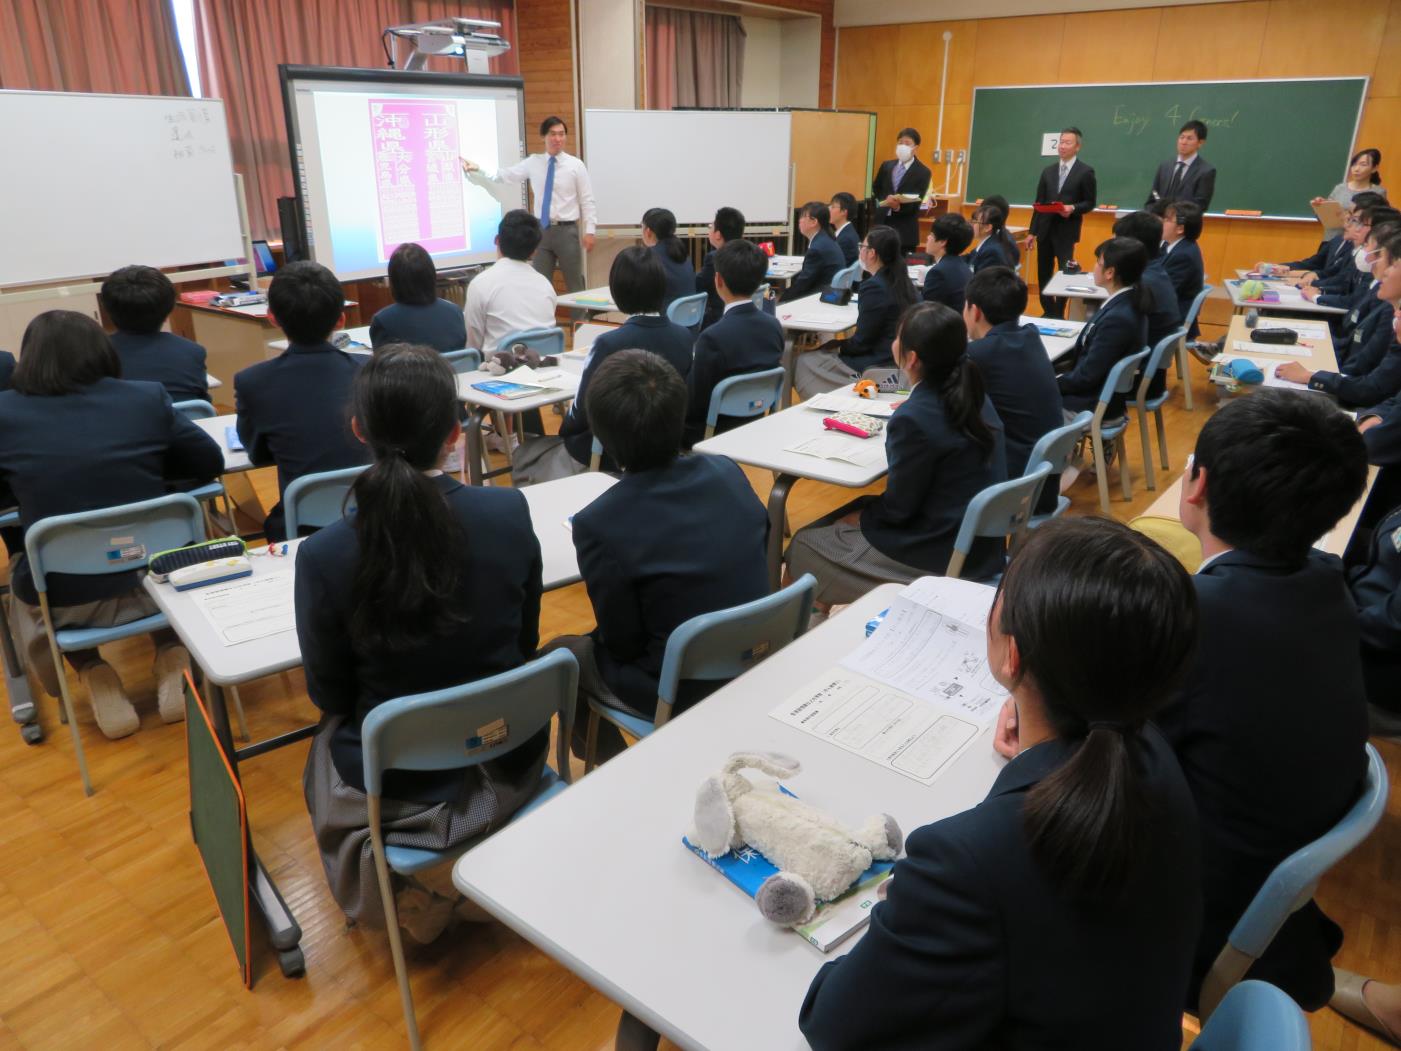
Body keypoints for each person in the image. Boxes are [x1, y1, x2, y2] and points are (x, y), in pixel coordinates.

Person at [799, 517, 1203, 1050]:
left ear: (1013, 654)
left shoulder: (962, 864)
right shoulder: (1156, 756)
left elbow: (832, 1025)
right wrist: (1042, 745)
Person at [296, 344, 547, 943]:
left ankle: (427, 883)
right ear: (456, 431)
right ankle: (472, 874)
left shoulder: (325, 553)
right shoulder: (508, 509)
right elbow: (527, 636)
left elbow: (327, 692)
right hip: (509, 749)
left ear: (360, 430)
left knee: (325, 740)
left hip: (402, 775)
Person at [1156, 390, 1369, 1013]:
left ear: (1197, 486)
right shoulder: (1326, 583)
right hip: (1264, 896)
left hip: (1186, 908)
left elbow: (1101, 747)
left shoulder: (1199, 619)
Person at [0, 311, 222, 739]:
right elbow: (207, 462)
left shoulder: (5, 413)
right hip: (162, 581)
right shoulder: (145, 397)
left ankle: (92, 669)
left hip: (65, 595)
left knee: (24, 576)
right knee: (141, 551)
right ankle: (173, 652)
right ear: (102, 352)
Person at [543, 349, 767, 763]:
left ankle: (607, 762)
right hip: (760, 652)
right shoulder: (727, 471)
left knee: (560, 652)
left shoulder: (599, 522)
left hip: (678, 685)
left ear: (602, 436)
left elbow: (622, 645)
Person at [787, 302, 1007, 607]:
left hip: (936, 555)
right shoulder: (974, 395)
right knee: (850, 512)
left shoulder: (916, 418)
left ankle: (800, 637)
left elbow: (899, 510)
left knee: (802, 545)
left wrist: (861, 520)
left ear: (912, 358)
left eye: (898, 338)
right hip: (979, 550)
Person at [512, 246, 694, 484]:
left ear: (618, 291)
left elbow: (581, 414)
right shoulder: (683, 337)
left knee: (524, 456)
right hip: (660, 451)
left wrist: (566, 431)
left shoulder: (609, 344)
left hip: (606, 454)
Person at [235, 261, 369, 542]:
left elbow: (258, 454)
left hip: (301, 528)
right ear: (341, 319)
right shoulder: (372, 372)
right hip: (374, 513)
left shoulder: (253, 382)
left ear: (272, 318)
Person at [963, 267, 1064, 515]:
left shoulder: (978, 354)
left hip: (1015, 488)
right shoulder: (1030, 335)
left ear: (974, 311)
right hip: (1044, 478)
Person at [461, 115, 596, 296]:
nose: (558, 139)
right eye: (553, 134)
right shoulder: (534, 162)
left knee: (575, 286)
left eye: (562, 134)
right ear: (543, 136)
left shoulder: (576, 165)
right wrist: (479, 169)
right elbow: (506, 175)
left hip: (567, 231)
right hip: (541, 231)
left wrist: (590, 231)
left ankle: (579, 323)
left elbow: (587, 200)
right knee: (538, 284)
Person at [1276, 225, 1401, 407]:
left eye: (1393, 264)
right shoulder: (1383, 301)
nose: (1386, 270)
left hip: (1357, 401)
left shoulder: (1390, 314)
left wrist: (1313, 375)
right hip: (1350, 386)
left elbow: (1373, 387)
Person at [794, 226, 918, 399]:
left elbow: (862, 342)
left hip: (877, 363)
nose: (861, 251)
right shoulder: (904, 283)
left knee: (803, 361)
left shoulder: (874, 286)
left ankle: (828, 402)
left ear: (872, 253)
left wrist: (837, 346)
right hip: (897, 360)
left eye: (863, 247)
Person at [684, 239, 784, 446]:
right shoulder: (774, 326)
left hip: (713, 431)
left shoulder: (713, 337)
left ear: (718, 280)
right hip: (754, 421)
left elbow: (694, 406)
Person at [1056, 237, 1151, 420]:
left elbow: (1086, 377)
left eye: (1098, 263)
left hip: (1091, 405)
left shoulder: (1118, 318)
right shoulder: (1129, 301)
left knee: (1019, 399)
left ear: (1110, 273)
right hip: (1101, 397)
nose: (1094, 267)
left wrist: (1051, 382)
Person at [99, 264, 208, 404]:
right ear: (170, 307)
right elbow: (202, 403)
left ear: (106, 308)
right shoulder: (192, 351)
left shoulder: (96, 354)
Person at [462, 209, 559, 359]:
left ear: (497, 240)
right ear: (534, 252)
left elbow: (473, 346)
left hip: (497, 374)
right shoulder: (545, 284)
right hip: (543, 370)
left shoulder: (480, 284)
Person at [1026, 128, 1098, 318]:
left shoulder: (1085, 172)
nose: (1062, 146)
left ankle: (1058, 311)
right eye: (1061, 142)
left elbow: (1090, 202)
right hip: (1045, 229)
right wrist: (1032, 232)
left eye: (1067, 143)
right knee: (1043, 272)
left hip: (1066, 230)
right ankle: (1048, 310)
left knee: (1065, 273)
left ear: (1077, 147)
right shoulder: (1048, 171)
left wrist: (1072, 208)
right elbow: (1038, 202)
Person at [1113, 210, 1184, 399]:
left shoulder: (1141, 285)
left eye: (1117, 243)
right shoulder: (1156, 271)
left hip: (1133, 382)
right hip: (1153, 378)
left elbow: (1113, 341)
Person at [368, 243, 468, 353]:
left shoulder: (383, 320)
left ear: (394, 281)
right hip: (451, 370)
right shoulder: (455, 312)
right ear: (431, 275)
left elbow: (381, 366)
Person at [871, 127, 931, 252]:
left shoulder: (923, 172)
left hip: (904, 230)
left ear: (916, 148)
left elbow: (917, 201)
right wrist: (885, 201)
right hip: (882, 224)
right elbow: (876, 187)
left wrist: (897, 207)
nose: (903, 146)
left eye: (907, 143)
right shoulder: (887, 166)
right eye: (900, 143)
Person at [780, 201, 845, 303]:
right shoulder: (826, 239)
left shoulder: (817, 249)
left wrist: (780, 301)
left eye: (802, 217)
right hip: (830, 292)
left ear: (814, 222)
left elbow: (803, 284)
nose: (799, 221)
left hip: (820, 297)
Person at [1147, 119, 1217, 213]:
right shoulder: (1165, 166)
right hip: (1159, 223)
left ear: (1200, 143)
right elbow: (1152, 199)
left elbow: (1200, 206)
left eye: (1189, 138)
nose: (1183, 142)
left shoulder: (1206, 171)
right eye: (1181, 137)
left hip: (1184, 224)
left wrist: (1174, 219)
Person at [1313, 148, 1386, 235]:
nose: (1356, 169)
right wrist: (1321, 206)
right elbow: (1325, 218)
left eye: (1363, 165)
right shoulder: (1340, 188)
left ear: (1374, 168)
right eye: (1354, 165)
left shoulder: (1378, 192)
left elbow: (1378, 222)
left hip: (1357, 241)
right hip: (1331, 239)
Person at [695, 205, 746, 329]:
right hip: (741, 315)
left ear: (718, 235)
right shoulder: (746, 252)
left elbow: (698, 285)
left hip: (717, 319)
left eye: (711, 226)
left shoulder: (715, 258)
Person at [1161, 200, 1206, 338]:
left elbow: (1164, 294)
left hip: (1173, 319)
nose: (1162, 223)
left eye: (1167, 220)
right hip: (1171, 311)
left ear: (1180, 229)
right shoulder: (1172, 246)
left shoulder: (1183, 255)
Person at [641, 207, 695, 312]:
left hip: (663, 323)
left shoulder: (649, 257)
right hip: (689, 322)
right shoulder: (683, 253)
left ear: (648, 231)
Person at [921, 213, 973, 312]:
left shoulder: (938, 273)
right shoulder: (962, 265)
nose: (928, 238)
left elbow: (925, 311)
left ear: (942, 242)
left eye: (931, 235)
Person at [968, 201, 1016, 272]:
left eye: (975, 222)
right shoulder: (988, 243)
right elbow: (969, 258)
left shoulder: (991, 252)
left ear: (988, 227)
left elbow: (981, 279)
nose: (971, 225)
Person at [829, 192, 860, 266]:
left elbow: (836, 266)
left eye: (833, 207)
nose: (829, 209)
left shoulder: (845, 239)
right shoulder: (847, 231)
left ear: (844, 212)